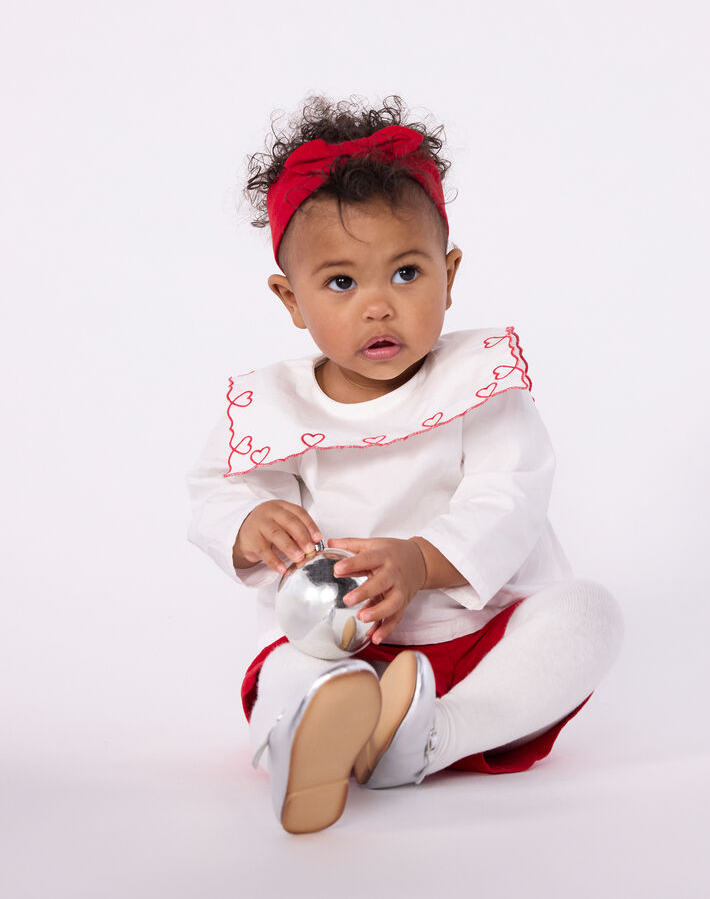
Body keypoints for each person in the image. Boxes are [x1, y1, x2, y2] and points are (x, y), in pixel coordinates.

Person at [186, 95, 624, 835]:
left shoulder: (482, 386)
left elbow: (509, 498)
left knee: (587, 616)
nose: (378, 307)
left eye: (407, 273)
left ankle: (434, 732)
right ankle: (309, 739)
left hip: (479, 636)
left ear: (449, 275)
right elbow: (217, 492)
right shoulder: (272, 408)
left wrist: (421, 561)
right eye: (341, 283)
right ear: (290, 299)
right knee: (290, 669)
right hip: (340, 645)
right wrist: (249, 522)